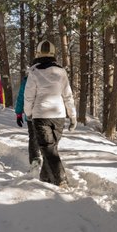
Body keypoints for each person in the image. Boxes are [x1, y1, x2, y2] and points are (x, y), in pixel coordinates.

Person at [24, 40, 76, 188]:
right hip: (59, 116)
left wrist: (28, 112)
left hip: (40, 115)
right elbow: (68, 95)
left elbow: (29, 96)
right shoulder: (61, 72)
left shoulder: (33, 72)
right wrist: (72, 116)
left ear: (38, 53)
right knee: (50, 149)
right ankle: (44, 180)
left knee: (49, 149)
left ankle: (61, 180)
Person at [15, 66, 42, 167]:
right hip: (45, 113)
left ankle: (35, 162)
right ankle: (45, 163)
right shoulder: (47, 80)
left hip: (30, 113)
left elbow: (21, 97)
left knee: (33, 137)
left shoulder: (27, 81)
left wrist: (18, 114)